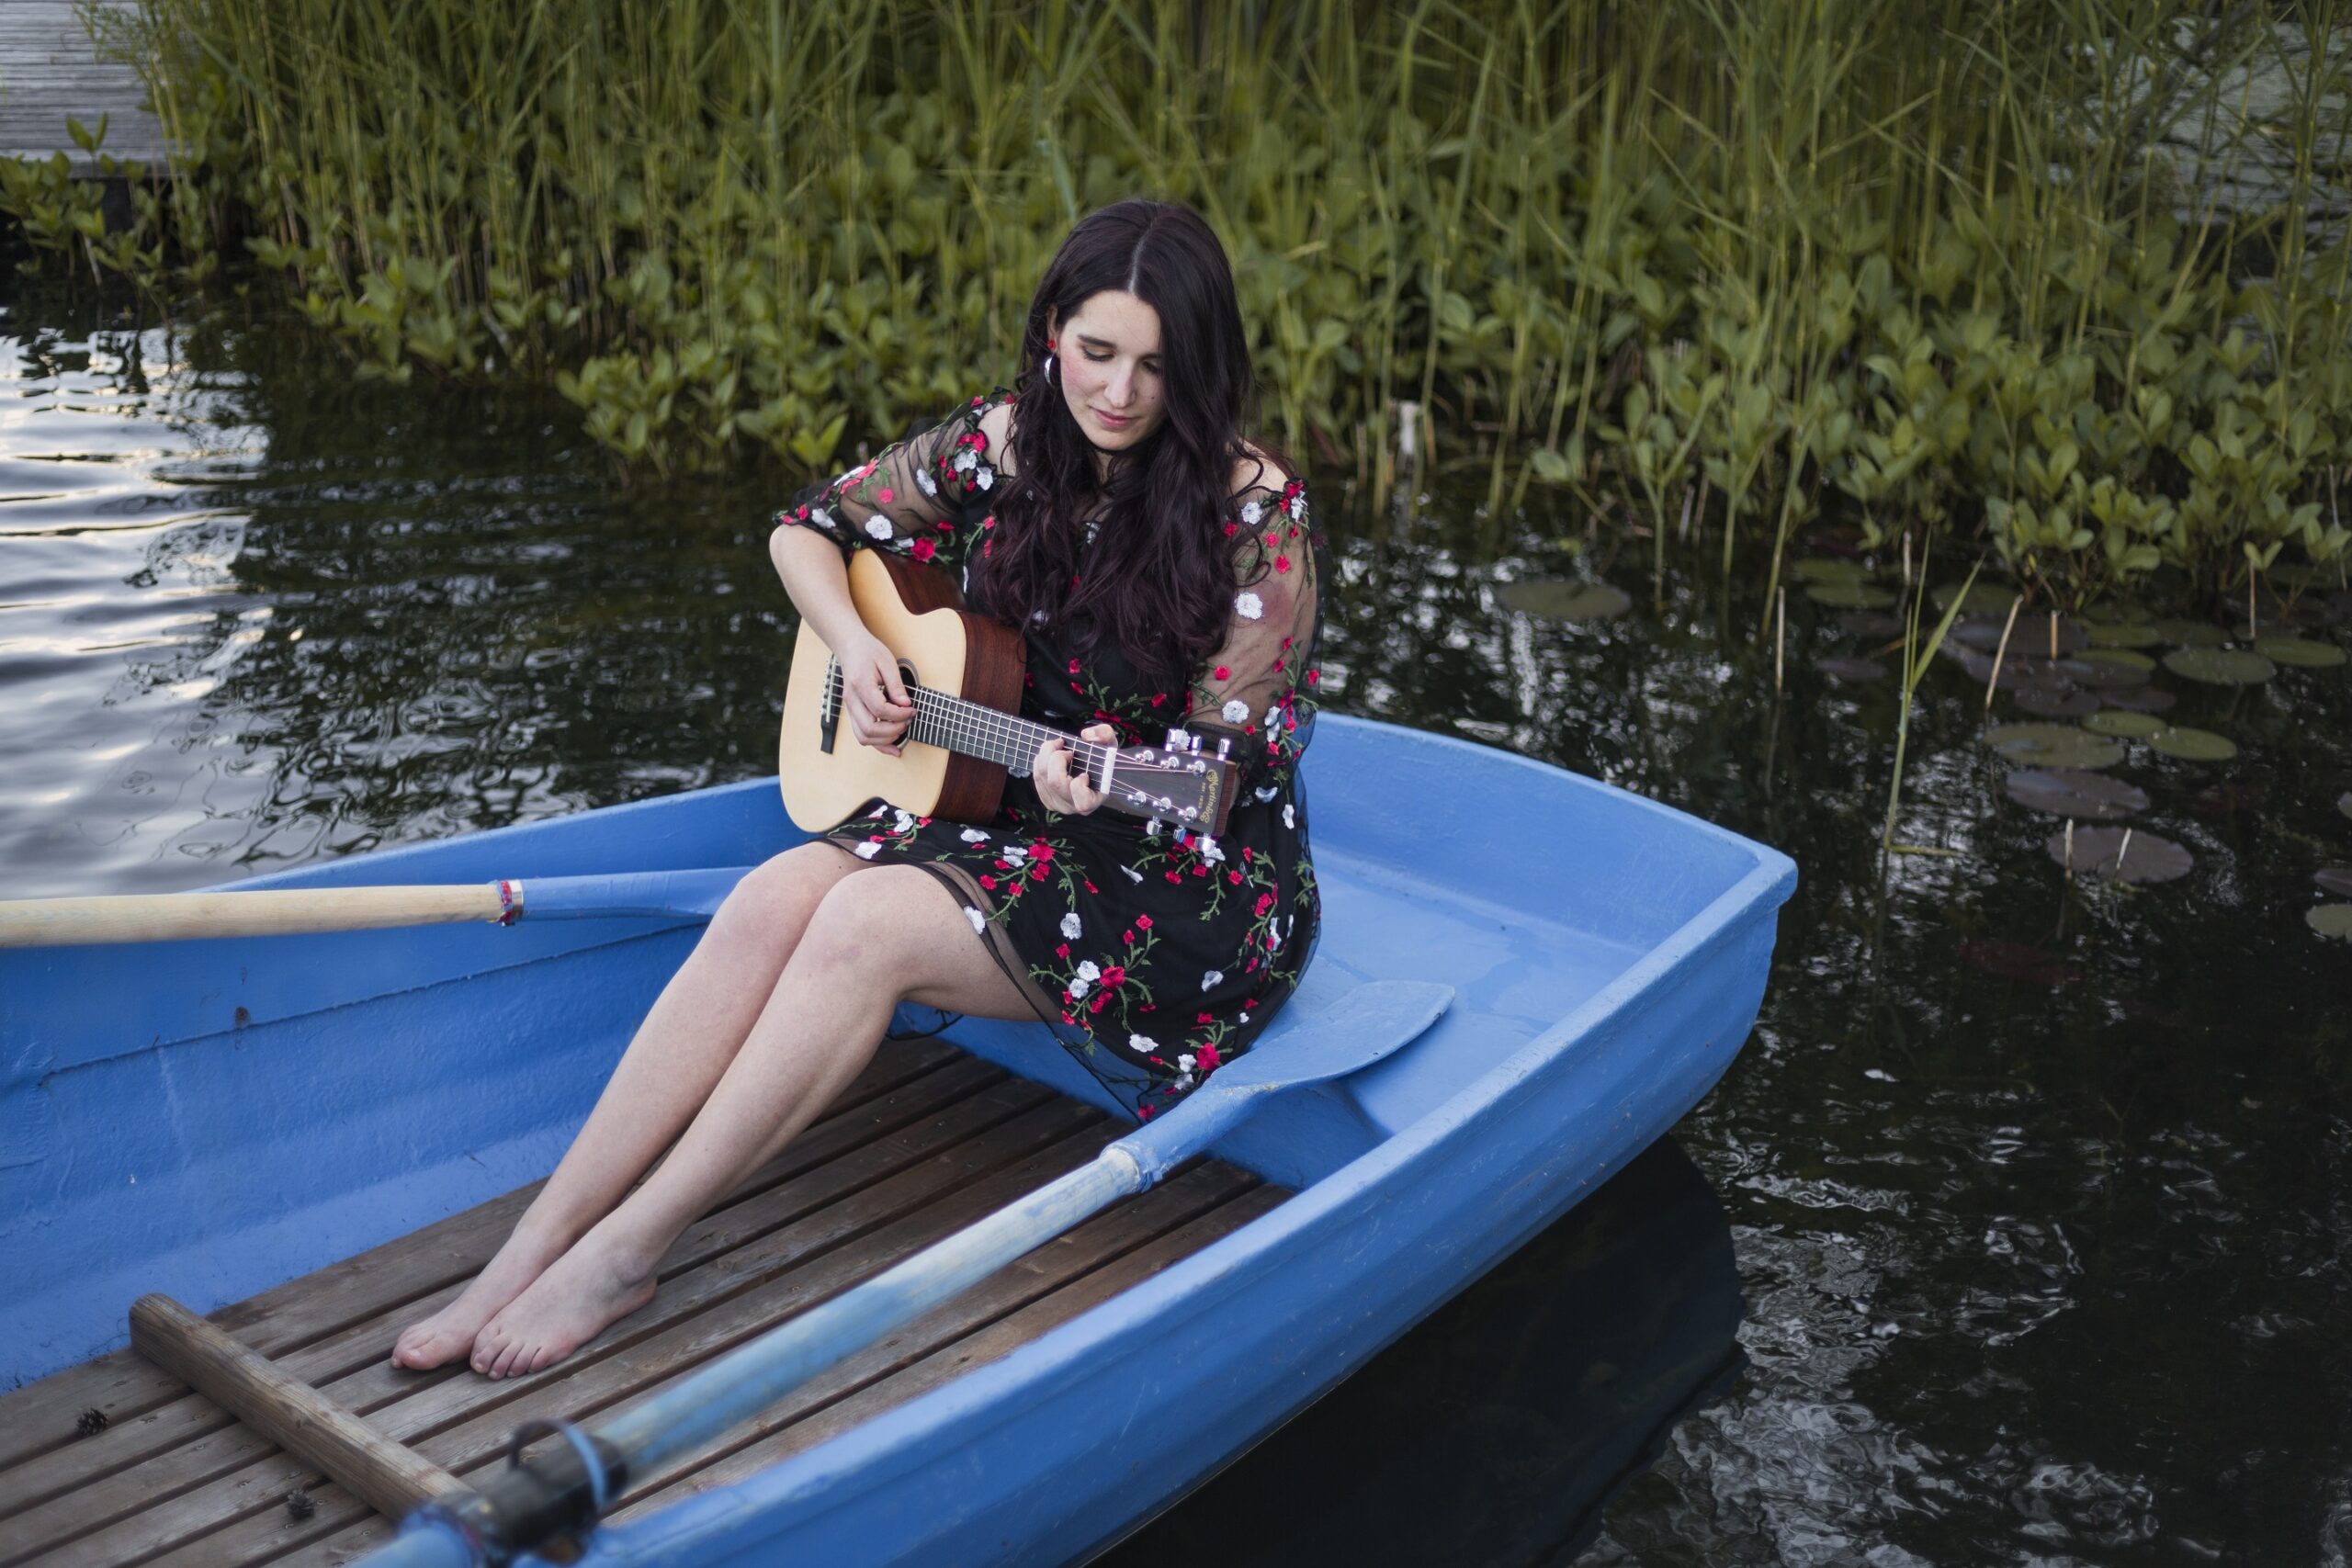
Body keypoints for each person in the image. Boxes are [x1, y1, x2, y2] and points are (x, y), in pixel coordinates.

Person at [390, 197, 1325, 1380]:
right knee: (773, 897)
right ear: (1053, 330)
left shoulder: (1254, 510)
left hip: (1177, 871)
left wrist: (1099, 771)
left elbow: (1217, 771)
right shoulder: (1004, 441)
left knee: (860, 925)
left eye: (1156, 366)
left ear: (1198, 365)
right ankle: (534, 1240)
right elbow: (805, 529)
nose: (1120, 391)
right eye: (1096, 352)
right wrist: (857, 644)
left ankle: (627, 1250)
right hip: (1003, 799)